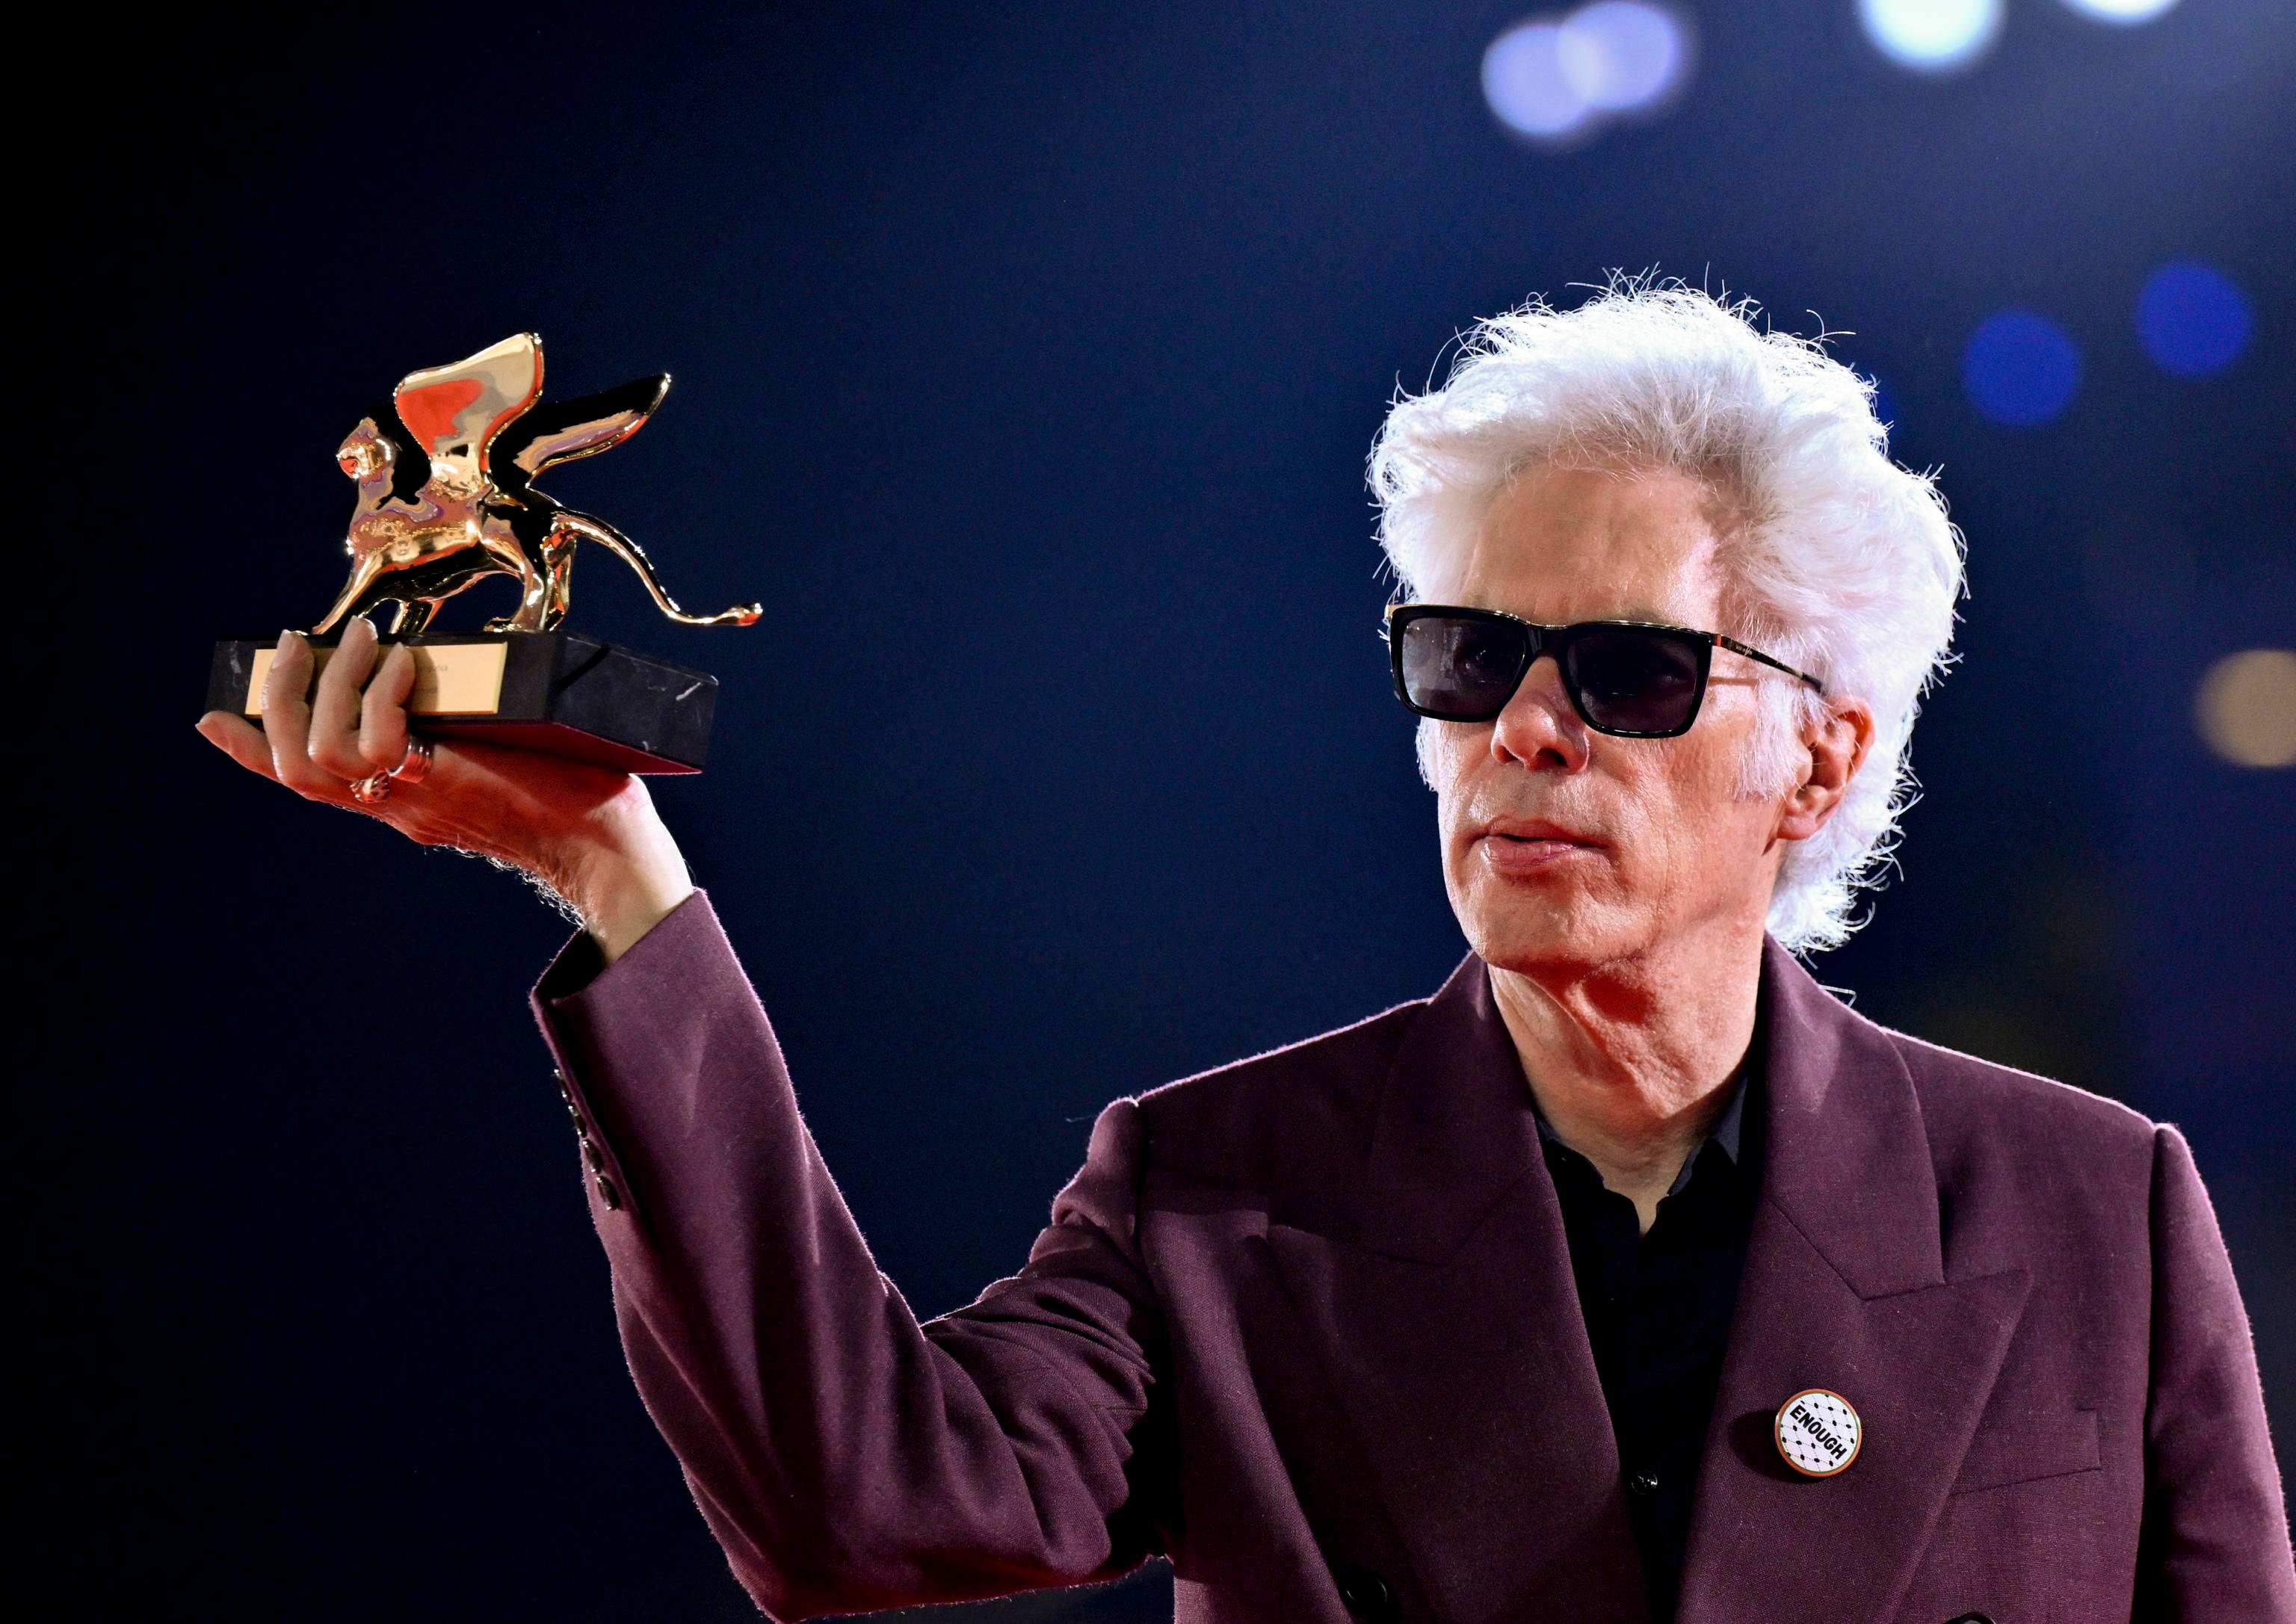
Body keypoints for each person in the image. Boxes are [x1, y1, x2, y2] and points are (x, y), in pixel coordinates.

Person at [200, 284, 2294, 1623]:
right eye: (1469, 659)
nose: (1527, 730)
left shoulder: (2090, 1208)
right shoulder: (1221, 1195)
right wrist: (617, 883)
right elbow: (861, 1503)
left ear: (1820, 759)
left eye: (1638, 671)